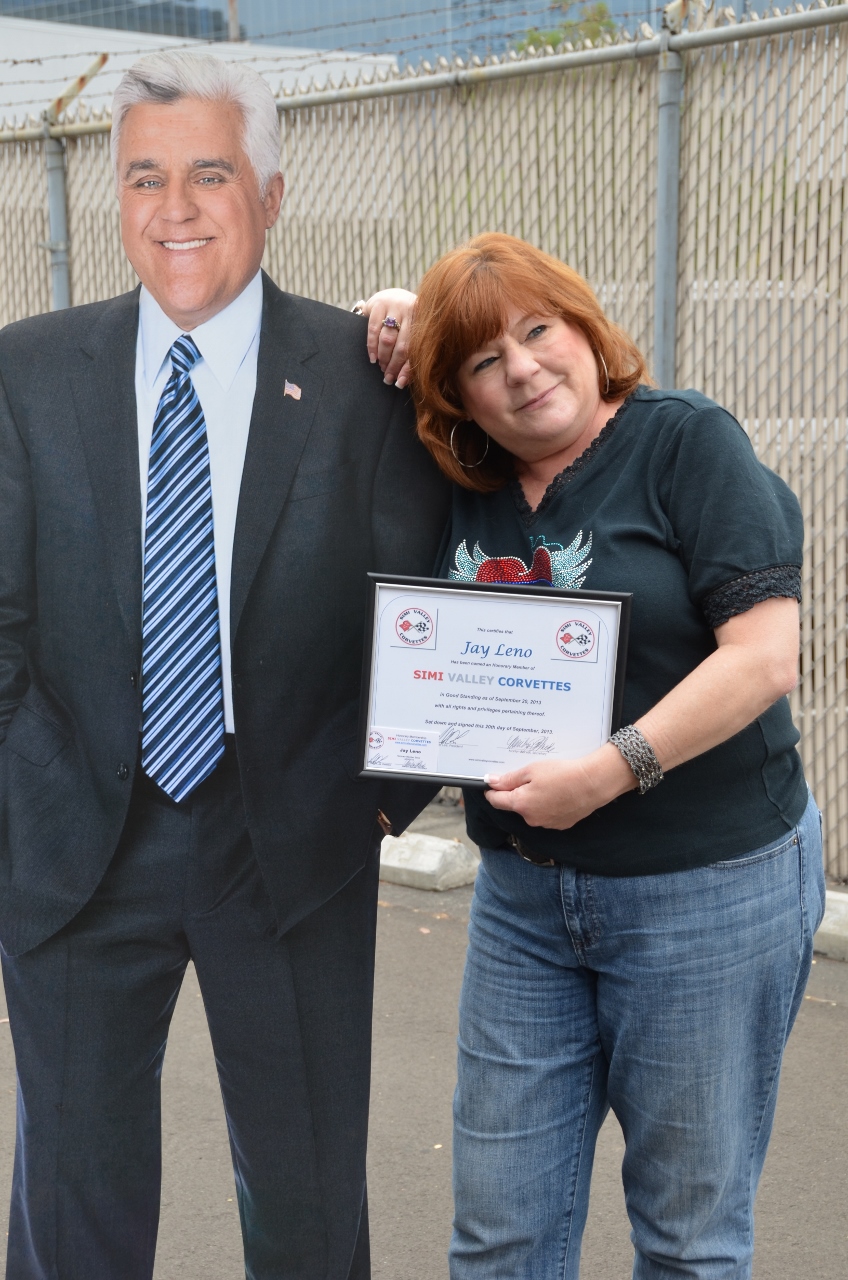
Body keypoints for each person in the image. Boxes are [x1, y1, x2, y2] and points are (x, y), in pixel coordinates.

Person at [0, 52, 449, 1280]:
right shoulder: (26, 372)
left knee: (305, 1203)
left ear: (272, 190)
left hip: (292, 843)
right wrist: (25, 791)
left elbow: (421, 602)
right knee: (70, 1198)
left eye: (210, 171)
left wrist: (370, 799)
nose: (176, 207)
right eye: (145, 177)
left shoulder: (372, 377)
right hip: (77, 843)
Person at [361, 233, 825, 1280]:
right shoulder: (456, 476)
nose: (522, 368)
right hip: (525, 902)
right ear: (458, 396)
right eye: (483, 360)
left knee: (686, 1235)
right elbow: (359, 365)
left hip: (706, 891)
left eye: (537, 331)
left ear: (582, 328)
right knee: (499, 1232)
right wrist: (398, 313)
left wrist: (608, 770)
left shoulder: (685, 444)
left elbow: (762, 656)